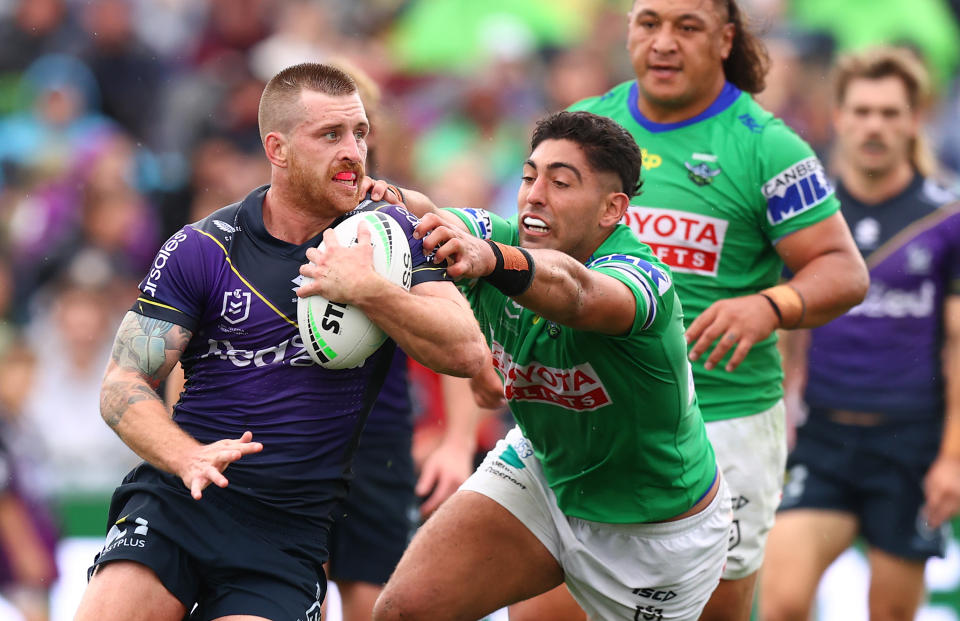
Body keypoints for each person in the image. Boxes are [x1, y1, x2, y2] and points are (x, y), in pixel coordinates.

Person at [72, 62, 487, 621]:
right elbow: (122, 384)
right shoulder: (204, 247)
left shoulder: (392, 242)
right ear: (279, 148)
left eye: (360, 133)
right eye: (331, 135)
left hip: (286, 534)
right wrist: (186, 455)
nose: (353, 151)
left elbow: (465, 352)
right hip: (179, 501)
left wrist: (367, 289)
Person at [510, 2, 868, 620]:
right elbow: (533, 252)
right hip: (589, 407)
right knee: (542, 611)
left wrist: (770, 304)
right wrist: (507, 353)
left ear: (725, 39)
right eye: (649, 23)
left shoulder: (768, 146)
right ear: (628, 31)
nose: (664, 43)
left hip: (721, 421)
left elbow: (844, 269)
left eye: (688, 27)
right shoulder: (586, 128)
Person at [372, 110, 732, 621]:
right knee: (403, 613)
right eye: (528, 176)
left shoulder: (644, 280)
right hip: (546, 471)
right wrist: (375, 198)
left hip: (655, 532)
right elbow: (432, 217)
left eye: (561, 182)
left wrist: (492, 259)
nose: (534, 194)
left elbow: (575, 292)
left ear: (612, 209)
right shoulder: (499, 238)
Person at [761, 47, 960, 621]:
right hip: (824, 440)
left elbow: (956, 348)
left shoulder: (944, 218)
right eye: (863, 111)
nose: (876, 125)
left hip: (911, 448)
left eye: (890, 112)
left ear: (914, 119)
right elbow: (785, 332)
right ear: (839, 117)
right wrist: (772, 433)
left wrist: (950, 457)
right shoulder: (807, 217)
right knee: (782, 603)